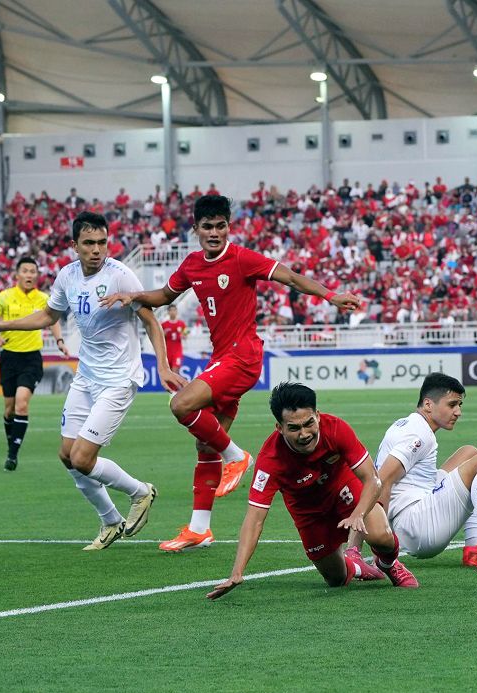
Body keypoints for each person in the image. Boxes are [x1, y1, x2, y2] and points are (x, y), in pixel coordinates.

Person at [101, 195, 361, 553]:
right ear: (196, 230)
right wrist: (132, 295)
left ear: (228, 227)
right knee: (205, 443)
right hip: (221, 357)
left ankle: (237, 456)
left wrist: (329, 295)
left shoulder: (241, 258)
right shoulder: (192, 265)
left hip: (243, 356)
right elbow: (163, 295)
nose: (214, 232)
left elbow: (289, 277)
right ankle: (199, 529)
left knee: (180, 405)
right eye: (207, 226)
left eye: (220, 225)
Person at [0, 211, 171, 550]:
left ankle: (141, 492)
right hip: (86, 377)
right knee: (67, 455)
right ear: (74, 245)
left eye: (102, 242)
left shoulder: (121, 276)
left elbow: (150, 321)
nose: (97, 250)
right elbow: (49, 316)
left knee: (83, 458)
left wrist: (165, 366)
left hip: (118, 379)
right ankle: (110, 520)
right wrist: (3, 325)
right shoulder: (66, 276)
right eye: (89, 243)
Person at [206, 382, 418, 600]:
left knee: (381, 536)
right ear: (279, 428)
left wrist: (358, 514)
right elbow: (254, 519)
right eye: (294, 428)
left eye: (309, 423)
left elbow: (373, 480)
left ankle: (389, 563)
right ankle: (355, 566)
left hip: (342, 487)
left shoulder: (336, 428)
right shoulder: (270, 460)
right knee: (336, 579)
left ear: (317, 415)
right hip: (307, 512)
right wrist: (237, 572)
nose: (304, 434)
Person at [349, 372, 477, 572]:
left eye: (459, 405)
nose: (458, 412)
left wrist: (355, 548)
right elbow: (382, 481)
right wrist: (382, 546)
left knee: (469, 453)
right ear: (428, 405)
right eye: (452, 405)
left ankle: (474, 549)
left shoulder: (407, 423)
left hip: (411, 514)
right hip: (416, 527)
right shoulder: (418, 435)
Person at [0, 256, 69, 471]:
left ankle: (12, 455)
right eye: (26, 271)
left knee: (22, 402)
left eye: (33, 271)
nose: (30, 275)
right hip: (9, 357)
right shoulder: (5, 297)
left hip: (32, 358)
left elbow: (53, 319)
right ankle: (11, 444)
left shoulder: (43, 298)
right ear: (17, 274)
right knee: (9, 409)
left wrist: (60, 341)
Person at [160, 305, 187, 374]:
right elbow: (160, 337)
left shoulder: (182, 324)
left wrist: (182, 335)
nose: (172, 312)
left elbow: (185, 336)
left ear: (177, 311)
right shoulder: (163, 324)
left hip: (177, 351)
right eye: (171, 310)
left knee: (175, 370)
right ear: (168, 312)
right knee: (169, 372)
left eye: (174, 310)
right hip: (167, 352)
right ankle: (171, 385)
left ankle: (176, 385)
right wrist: (164, 334)